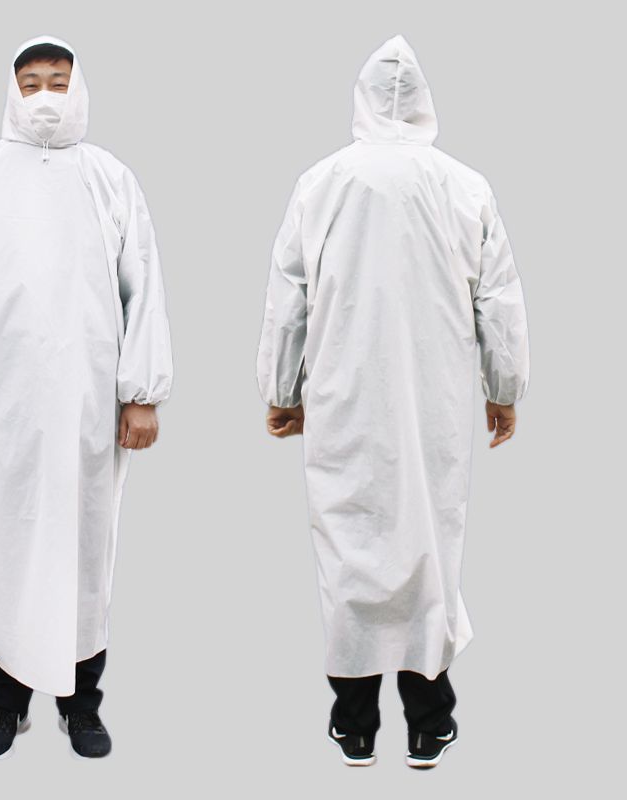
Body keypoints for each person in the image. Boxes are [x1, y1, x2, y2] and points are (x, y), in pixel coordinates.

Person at [256, 34, 529, 769]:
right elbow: (498, 299)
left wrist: (282, 389)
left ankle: (353, 721)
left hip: (342, 392)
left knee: (349, 543)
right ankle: (428, 720)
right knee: (429, 543)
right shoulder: (465, 186)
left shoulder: (321, 182)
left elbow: (289, 297)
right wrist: (503, 389)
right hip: (433, 398)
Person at [0, 35, 173, 760]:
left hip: (88, 400)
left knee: (85, 545)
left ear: (78, 86)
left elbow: (142, 285)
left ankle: (81, 703)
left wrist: (142, 393)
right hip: (1, 402)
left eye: (59, 80)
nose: (46, 95)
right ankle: (8, 699)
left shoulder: (110, 179)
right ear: (12, 91)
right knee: (6, 542)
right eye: (31, 83)